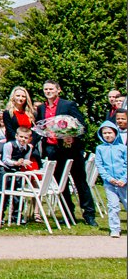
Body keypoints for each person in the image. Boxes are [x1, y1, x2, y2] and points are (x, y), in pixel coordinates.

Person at [36, 80, 96, 226]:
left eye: (51, 89)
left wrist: (72, 136)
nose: (48, 91)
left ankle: (89, 215)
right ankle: (68, 214)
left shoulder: (68, 105)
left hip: (71, 148)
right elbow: (40, 127)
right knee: (60, 184)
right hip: (52, 149)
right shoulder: (41, 108)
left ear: (58, 90)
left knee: (79, 181)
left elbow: (82, 125)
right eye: (46, 89)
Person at [93, 121, 126, 238]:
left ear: (115, 133)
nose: (107, 135)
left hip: (124, 183)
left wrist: (124, 179)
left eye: (110, 133)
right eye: (105, 133)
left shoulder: (123, 148)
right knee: (113, 206)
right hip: (110, 184)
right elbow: (100, 165)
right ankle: (115, 229)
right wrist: (109, 178)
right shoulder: (100, 149)